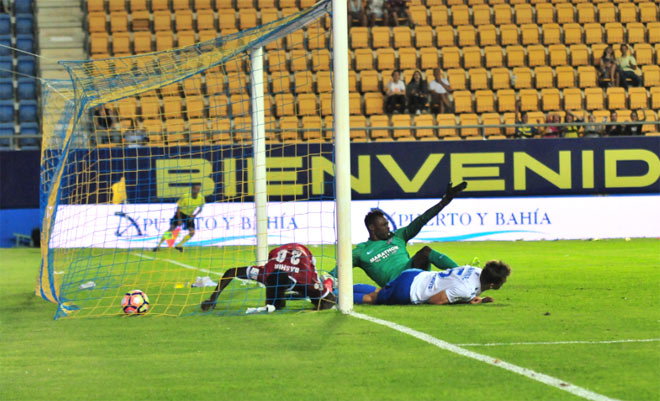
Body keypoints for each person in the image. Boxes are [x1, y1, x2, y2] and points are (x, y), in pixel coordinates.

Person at [331, 182, 467, 288]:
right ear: (372, 228)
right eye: (383, 225)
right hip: (396, 285)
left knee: (426, 252)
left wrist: (444, 202)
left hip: (415, 274)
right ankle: (464, 276)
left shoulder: (398, 236)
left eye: (387, 223)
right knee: (425, 252)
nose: (388, 227)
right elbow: (340, 269)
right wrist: (326, 279)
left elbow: (422, 219)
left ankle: (464, 275)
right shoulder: (361, 251)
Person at [200, 243, 336, 312]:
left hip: (304, 253)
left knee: (317, 298)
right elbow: (232, 272)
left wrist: (320, 302)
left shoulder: (305, 279)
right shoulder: (265, 273)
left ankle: (329, 280)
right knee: (278, 305)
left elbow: (331, 300)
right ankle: (285, 298)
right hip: (278, 253)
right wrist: (213, 298)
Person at [353, 260, 511, 306]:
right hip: (410, 290)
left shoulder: (475, 271)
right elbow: (434, 300)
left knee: (378, 291)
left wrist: (476, 299)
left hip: (415, 275)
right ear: (492, 284)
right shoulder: (466, 289)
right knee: (372, 299)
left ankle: (339, 284)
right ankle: (333, 295)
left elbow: (460, 287)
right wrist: (462, 300)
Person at [153, 184, 205, 252]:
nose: (196, 191)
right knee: (171, 229)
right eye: (195, 189)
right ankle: (158, 246)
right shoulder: (185, 196)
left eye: (198, 189)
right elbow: (178, 208)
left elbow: (200, 208)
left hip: (189, 215)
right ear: (192, 189)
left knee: (192, 232)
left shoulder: (201, 198)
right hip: (180, 213)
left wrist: (194, 215)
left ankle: (179, 245)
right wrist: (179, 219)